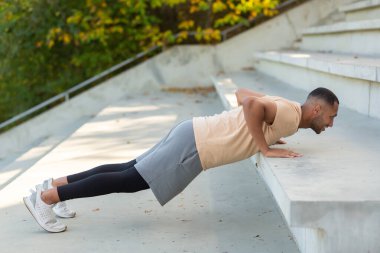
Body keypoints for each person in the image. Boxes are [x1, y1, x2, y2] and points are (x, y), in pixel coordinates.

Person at [23, 87, 339, 233]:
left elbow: (243, 95)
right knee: (130, 181)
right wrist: (265, 146)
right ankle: (47, 198)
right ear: (316, 110)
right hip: (198, 144)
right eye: (330, 117)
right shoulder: (286, 113)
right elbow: (252, 105)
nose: (330, 124)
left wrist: (267, 136)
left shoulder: (286, 109)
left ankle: (53, 186)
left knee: (127, 169)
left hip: (192, 131)